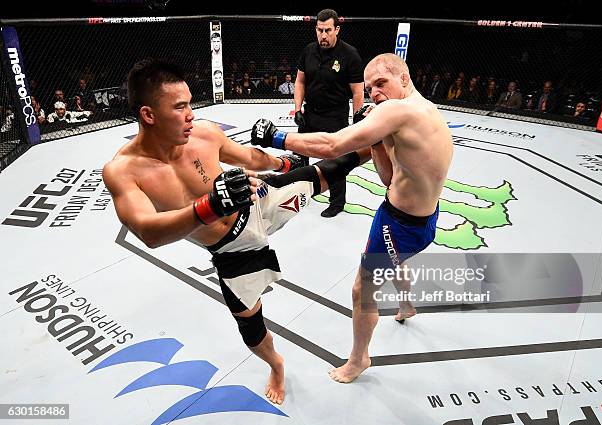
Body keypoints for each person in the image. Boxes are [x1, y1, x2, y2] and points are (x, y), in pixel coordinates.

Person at [103, 58, 370, 403]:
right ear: (149, 115)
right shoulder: (123, 171)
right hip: (232, 250)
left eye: (190, 104)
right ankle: (276, 365)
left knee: (328, 171)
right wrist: (210, 206)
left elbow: (248, 157)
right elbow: (149, 232)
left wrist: (282, 163)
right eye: (180, 107)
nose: (190, 114)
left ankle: (384, 138)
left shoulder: (203, 133)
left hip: (258, 205)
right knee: (251, 328)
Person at [251, 53, 453, 383]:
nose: (374, 92)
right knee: (395, 258)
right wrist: (377, 141)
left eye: (381, 83)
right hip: (423, 218)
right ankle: (406, 305)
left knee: (363, 290)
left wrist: (276, 137)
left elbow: (332, 145)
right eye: (370, 87)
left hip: (400, 223)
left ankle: (359, 359)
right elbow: (389, 179)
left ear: (404, 78)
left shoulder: (397, 110)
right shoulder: (424, 110)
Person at [293, 9, 365, 218]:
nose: (323, 35)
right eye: (319, 30)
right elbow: (300, 80)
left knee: (335, 160)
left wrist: (357, 120)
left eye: (327, 30)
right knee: (299, 154)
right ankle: (301, 190)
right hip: (310, 112)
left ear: (337, 30)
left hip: (335, 116)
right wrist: (298, 108)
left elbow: (357, 90)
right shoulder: (308, 51)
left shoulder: (349, 55)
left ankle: (337, 201)